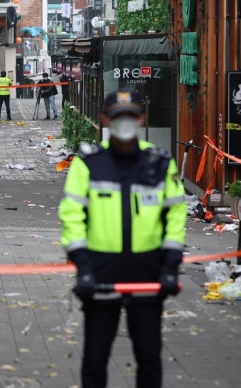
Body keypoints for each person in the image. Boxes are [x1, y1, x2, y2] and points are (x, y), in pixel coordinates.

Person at [58, 88, 186, 388]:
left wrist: (170, 266)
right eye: (118, 116)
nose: (125, 122)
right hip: (100, 271)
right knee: (94, 359)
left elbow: (175, 217)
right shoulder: (88, 164)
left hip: (147, 273)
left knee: (150, 359)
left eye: (131, 116)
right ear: (105, 119)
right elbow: (72, 215)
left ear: (141, 119)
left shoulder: (160, 164)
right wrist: (82, 265)